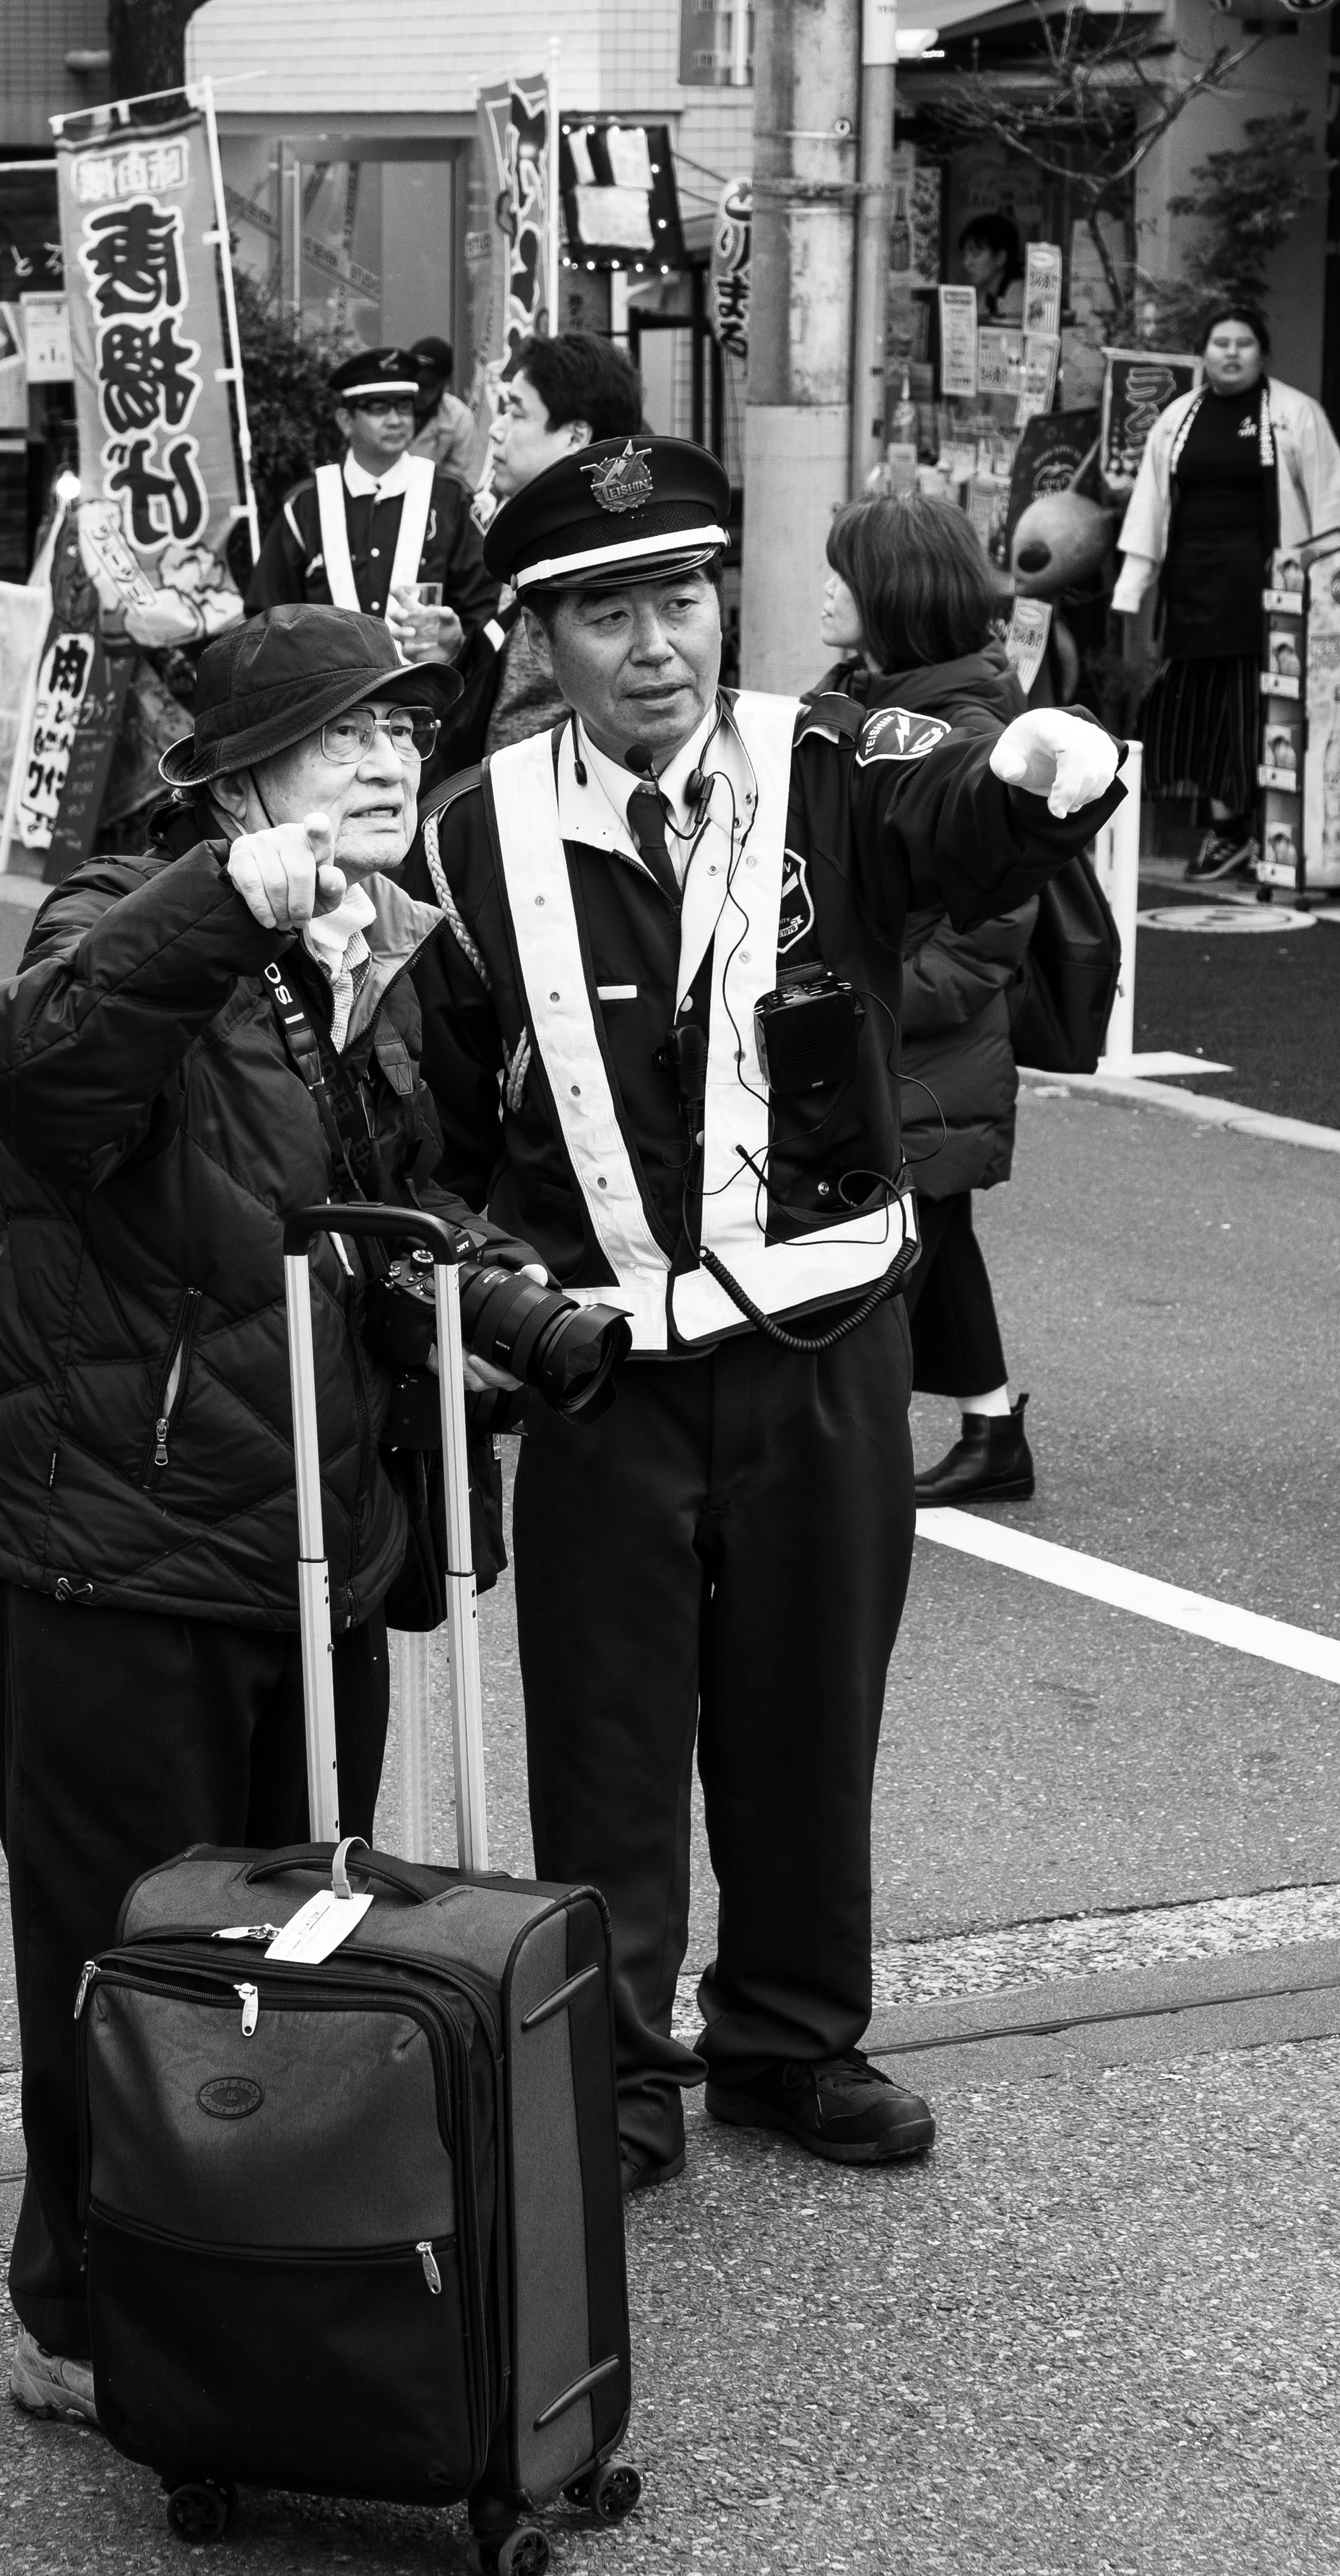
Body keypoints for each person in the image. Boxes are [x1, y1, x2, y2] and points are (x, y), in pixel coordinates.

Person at [406, 438, 1123, 2190]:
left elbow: (957, 822)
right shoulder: (471, 832)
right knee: (609, 1736)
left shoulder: (829, 758)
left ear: (724, 599)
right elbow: (430, 1119)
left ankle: (794, 2037)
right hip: (602, 1367)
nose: (656, 643)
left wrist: (1039, 773)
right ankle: (617, 2070)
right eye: (604, 614)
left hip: (824, 1339)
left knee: (810, 1709)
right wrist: (495, 1308)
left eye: (681, 598)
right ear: (538, 640)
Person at [0, 607, 524, 2424]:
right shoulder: (129, 912)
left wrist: (511, 1309)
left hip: (311, 1540)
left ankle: (259, 2267)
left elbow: (391, 1194)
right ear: (239, 776)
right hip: (119, 1540)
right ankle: (85, 2297)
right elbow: (36, 1065)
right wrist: (231, 897)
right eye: (341, 734)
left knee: (297, 1939)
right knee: (123, 1937)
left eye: (402, 731)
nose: (383, 762)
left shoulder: (383, 948)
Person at [819, 496, 1039, 1505]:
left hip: (922, 1052)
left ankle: (826, 1459)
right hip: (912, 1051)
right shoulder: (876, 692)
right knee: (932, 1245)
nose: (826, 590)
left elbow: (991, 931)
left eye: (844, 576)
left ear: (892, 598)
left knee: (872, 1263)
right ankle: (992, 1430)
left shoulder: (968, 727)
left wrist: (860, 994)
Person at [1114, 304, 1340, 886]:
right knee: (1205, 715)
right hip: (1193, 594)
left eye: (1244, 343)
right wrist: (1131, 591)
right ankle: (1227, 832)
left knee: (1269, 716)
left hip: (1276, 600)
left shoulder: (1295, 415)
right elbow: (1149, 508)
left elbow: (1329, 505)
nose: (1232, 353)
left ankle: (1275, 833)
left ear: (1263, 354)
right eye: (1220, 343)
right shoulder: (1178, 418)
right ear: (1204, 353)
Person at [425, 334, 649, 785]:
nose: (496, 428)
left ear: (575, 435)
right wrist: (461, 652)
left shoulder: (589, 559)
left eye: (516, 411)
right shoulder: (547, 537)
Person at [244, 346, 497, 667]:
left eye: (404, 408)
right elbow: (266, 618)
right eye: (378, 409)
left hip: (431, 705)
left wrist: (455, 651)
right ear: (346, 421)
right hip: (329, 707)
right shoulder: (306, 506)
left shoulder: (451, 498)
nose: (395, 420)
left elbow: (483, 607)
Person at [407, 334, 485, 488]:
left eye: (427, 386)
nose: (418, 392)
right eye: (414, 383)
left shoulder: (459, 419)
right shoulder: (387, 408)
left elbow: (458, 484)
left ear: (445, 384)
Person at [959, 214, 1025, 327]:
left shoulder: (1018, 294)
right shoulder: (985, 295)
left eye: (975, 254)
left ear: (1000, 257)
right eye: (965, 254)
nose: (966, 263)